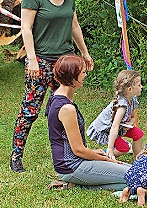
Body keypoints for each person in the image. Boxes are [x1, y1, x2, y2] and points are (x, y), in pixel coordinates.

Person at [10, 0, 94, 173]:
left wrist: (84, 53)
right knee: (30, 110)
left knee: (66, 109)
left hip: (65, 62)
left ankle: (74, 152)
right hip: (41, 61)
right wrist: (32, 60)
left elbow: (74, 25)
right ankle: (16, 155)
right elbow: (26, 29)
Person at [45, 54, 130, 190]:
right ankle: (76, 185)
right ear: (72, 76)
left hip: (76, 161)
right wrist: (105, 159)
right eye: (83, 72)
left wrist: (94, 153)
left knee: (133, 171)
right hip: (72, 166)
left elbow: (70, 142)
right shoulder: (66, 108)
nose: (85, 75)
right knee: (136, 177)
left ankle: (77, 184)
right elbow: (78, 150)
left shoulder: (57, 96)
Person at [86, 70, 144, 160]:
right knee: (124, 148)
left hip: (119, 127)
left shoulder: (132, 99)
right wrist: (110, 148)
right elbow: (114, 127)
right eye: (139, 85)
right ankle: (100, 156)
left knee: (138, 133)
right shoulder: (121, 107)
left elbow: (133, 117)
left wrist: (130, 123)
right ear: (130, 89)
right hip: (105, 130)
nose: (141, 87)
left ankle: (138, 161)